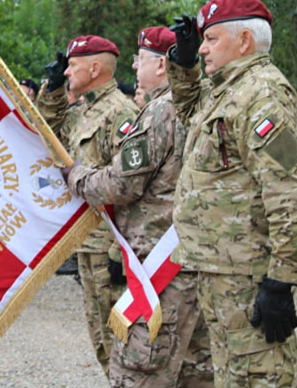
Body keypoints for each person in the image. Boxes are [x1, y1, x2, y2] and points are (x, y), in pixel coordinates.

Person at [168, 0, 297, 387]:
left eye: (211, 39)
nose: (203, 48)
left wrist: (280, 280)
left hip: (249, 275)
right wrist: (184, 64)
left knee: (260, 377)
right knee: (233, 377)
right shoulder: (227, 90)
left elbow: (291, 194)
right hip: (221, 271)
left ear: (245, 41)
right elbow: (188, 111)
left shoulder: (263, 95)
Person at [63, 27, 213, 387]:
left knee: (138, 371)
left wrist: (75, 177)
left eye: (141, 58)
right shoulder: (201, 102)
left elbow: (122, 183)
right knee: (196, 371)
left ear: (162, 65)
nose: (133, 64)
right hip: (194, 254)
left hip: (162, 260)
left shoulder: (162, 110)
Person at [38, 35, 140, 376]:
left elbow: (129, 185)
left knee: (119, 340)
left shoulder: (122, 113)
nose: (67, 73)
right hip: (87, 239)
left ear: (95, 68)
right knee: (100, 338)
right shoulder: (85, 110)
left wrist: (117, 251)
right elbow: (48, 134)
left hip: (108, 244)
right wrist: (52, 91)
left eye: (73, 66)